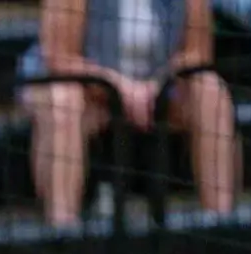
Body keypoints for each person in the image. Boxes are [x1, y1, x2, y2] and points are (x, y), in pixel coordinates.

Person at [21, 0, 236, 226]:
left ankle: (220, 225)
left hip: (159, 90)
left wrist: (157, 86)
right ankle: (62, 233)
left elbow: (198, 53)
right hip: (87, 90)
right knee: (62, 99)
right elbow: (61, 58)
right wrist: (121, 89)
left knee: (211, 90)